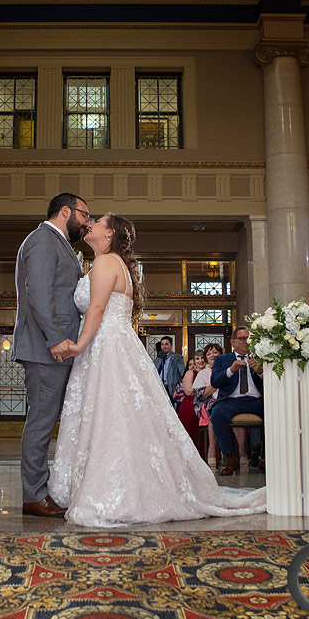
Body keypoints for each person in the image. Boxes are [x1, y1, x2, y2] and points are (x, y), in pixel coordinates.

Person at [50, 213, 272, 527]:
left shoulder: (104, 263)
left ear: (109, 232)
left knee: (108, 415)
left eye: (97, 221)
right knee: (121, 417)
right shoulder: (116, 264)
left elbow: (97, 309)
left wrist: (77, 345)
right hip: (116, 345)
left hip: (105, 347)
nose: (91, 224)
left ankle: (113, 491)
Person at [13, 192, 89, 518]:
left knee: (45, 421)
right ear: (66, 211)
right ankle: (34, 495)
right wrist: (56, 339)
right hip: (47, 351)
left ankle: (42, 490)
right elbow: (39, 293)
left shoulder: (60, 244)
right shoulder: (43, 240)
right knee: (41, 423)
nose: (87, 222)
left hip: (55, 350)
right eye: (85, 215)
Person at [209, 328, 264, 475]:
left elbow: (275, 380)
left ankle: (265, 457)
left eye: (248, 338)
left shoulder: (261, 357)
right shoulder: (222, 359)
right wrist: (230, 370)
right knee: (217, 414)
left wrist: (260, 371)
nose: (246, 341)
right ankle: (229, 458)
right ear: (233, 342)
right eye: (242, 338)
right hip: (231, 401)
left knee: (274, 411)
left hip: (256, 400)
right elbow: (214, 382)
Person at [191, 343, 222, 466]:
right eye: (208, 354)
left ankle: (238, 455)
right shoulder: (203, 373)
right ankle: (212, 450)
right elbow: (200, 395)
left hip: (224, 401)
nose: (212, 355)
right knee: (215, 412)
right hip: (206, 403)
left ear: (221, 354)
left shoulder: (228, 370)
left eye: (215, 352)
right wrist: (217, 383)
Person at [172, 353, 204, 453]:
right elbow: (189, 391)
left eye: (202, 358)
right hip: (190, 404)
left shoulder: (209, 372)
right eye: (197, 359)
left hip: (204, 403)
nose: (200, 361)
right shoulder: (190, 373)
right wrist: (206, 390)